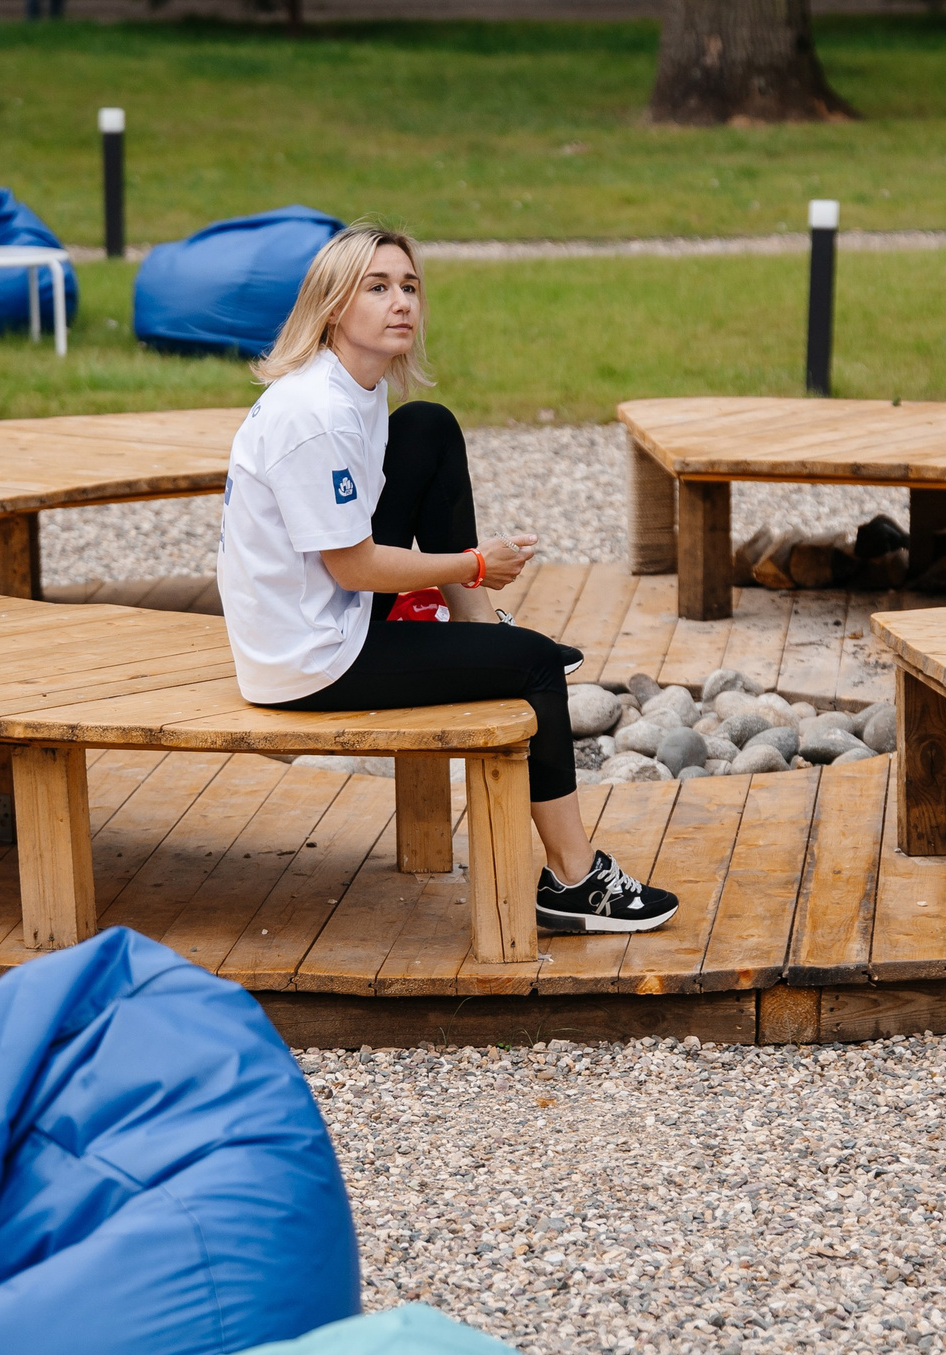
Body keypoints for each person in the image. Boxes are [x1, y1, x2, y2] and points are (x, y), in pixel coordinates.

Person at [218, 222, 679, 936]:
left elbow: (353, 552)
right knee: (533, 666)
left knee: (428, 427)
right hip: (310, 658)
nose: (401, 302)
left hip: (329, 614)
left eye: (408, 286)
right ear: (334, 306)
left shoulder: (355, 389)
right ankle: (573, 881)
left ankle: (476, 633)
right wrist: (475, 564)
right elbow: (354, 565)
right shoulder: (314, 416)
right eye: (377, 287)